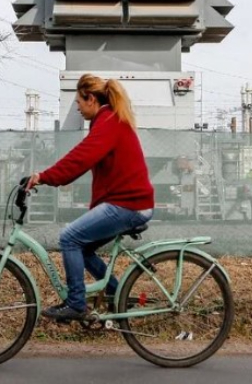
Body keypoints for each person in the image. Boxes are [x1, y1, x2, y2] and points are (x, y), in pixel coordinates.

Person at [27, 73, 155, 322]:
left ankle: (76, 304)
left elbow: (80, 158)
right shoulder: (108, 121)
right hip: (128, 203)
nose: (77, 106)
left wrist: (44, 176)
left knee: (70, 237)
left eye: (79, 101)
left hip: (129, 205)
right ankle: (118, 296)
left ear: (91, 99)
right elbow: (84, 160)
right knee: (82, 248)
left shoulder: (108, 122)